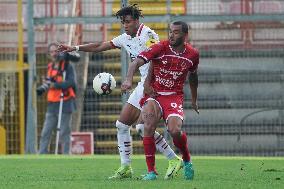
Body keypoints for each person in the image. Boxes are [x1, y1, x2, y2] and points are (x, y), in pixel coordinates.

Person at [57, 4, 182, 179]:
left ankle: (173, 159)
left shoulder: (148, 35)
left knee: (140, 126)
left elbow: (154, 59)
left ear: (136, 21)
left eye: (128, 22)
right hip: (143, 85)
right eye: (123, 22)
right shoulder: (125, 38)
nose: (125, 25)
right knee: (122, 125)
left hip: (156, 85)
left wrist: (144, 83)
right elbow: (101, 45)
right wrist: (75, 48)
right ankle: (126, 167)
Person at [121, 21, 199, 180]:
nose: (171, 35)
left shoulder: (193, 54)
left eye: (176, 32)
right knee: (146, 126)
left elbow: (193, 76)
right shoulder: (160, 47)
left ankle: (187, 160)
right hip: (155, 95)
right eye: (170, 31)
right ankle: (151, 171)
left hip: (174, 96)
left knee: (175, 131)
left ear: (185, 35)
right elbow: (136, 61)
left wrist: (194, 99)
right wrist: (129, 80)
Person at [38, 43, 79, 154]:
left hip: (65, 102)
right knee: (46, 131)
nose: (54, 53)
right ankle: (41, 155)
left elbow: (71, 82)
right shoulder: (50, 66)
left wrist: (55, 85)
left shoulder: (67, 66)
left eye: (56, 51)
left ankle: (66, 155)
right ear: (49, 54)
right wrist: (46, 84)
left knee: (64, 132)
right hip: (52, 103)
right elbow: (50, 81)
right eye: (51, 51)